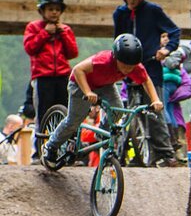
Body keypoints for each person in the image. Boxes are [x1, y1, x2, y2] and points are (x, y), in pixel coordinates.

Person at [43, 34, 163, 165]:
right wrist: (88, 92)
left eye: (131, 66)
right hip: (80, 83)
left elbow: (146, 80)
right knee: (74, 120)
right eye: (124, 65)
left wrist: (155, 99)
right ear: (116, 58)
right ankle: (51, 145)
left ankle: (101, 133)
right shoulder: (103, 61)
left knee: (118, 110)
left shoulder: (135, 67)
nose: (128, 69)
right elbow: (78, 70)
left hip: (105, 85)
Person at [114, 0, 180, 167]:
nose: (132, 1)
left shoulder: (153, 11)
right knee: (130, 112)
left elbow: (174, 32)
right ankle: (128, 153)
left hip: (151, 67)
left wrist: (166, 50)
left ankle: (165, 154)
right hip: (128, 67)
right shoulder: (120, 14)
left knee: (155, 110)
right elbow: (117, 39)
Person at [23, 0, 79, 164]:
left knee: (66, 114)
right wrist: (45, 33)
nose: (54, 12)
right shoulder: (33, 27)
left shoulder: (66, 30)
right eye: (50, 9)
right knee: (43, 114)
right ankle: (39, 153)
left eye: (57, 9)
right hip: (43, 77)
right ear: (42, 11)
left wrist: (63, 34)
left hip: (62, 77)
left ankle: (68, 153)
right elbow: (30, 48)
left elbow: (72, 52)